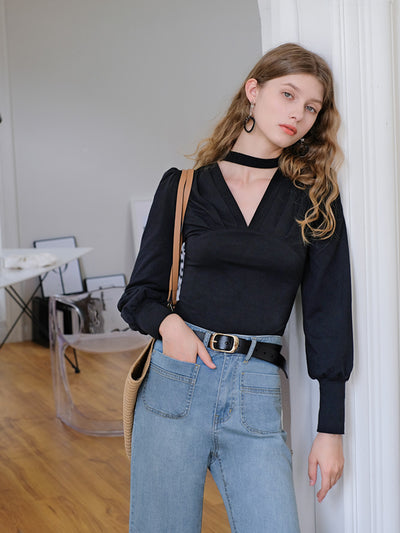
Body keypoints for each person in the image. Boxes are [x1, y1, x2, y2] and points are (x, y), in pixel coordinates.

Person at [118, 42, 353, 533]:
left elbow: (329, 316)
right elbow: (138, 295)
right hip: (176, 381)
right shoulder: (185, 187)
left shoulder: (315, 201)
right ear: (253, 91)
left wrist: (331, 429)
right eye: (288, 95)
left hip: (256, 392)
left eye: (311, 107)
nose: (298, 114)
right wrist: (171, 327)